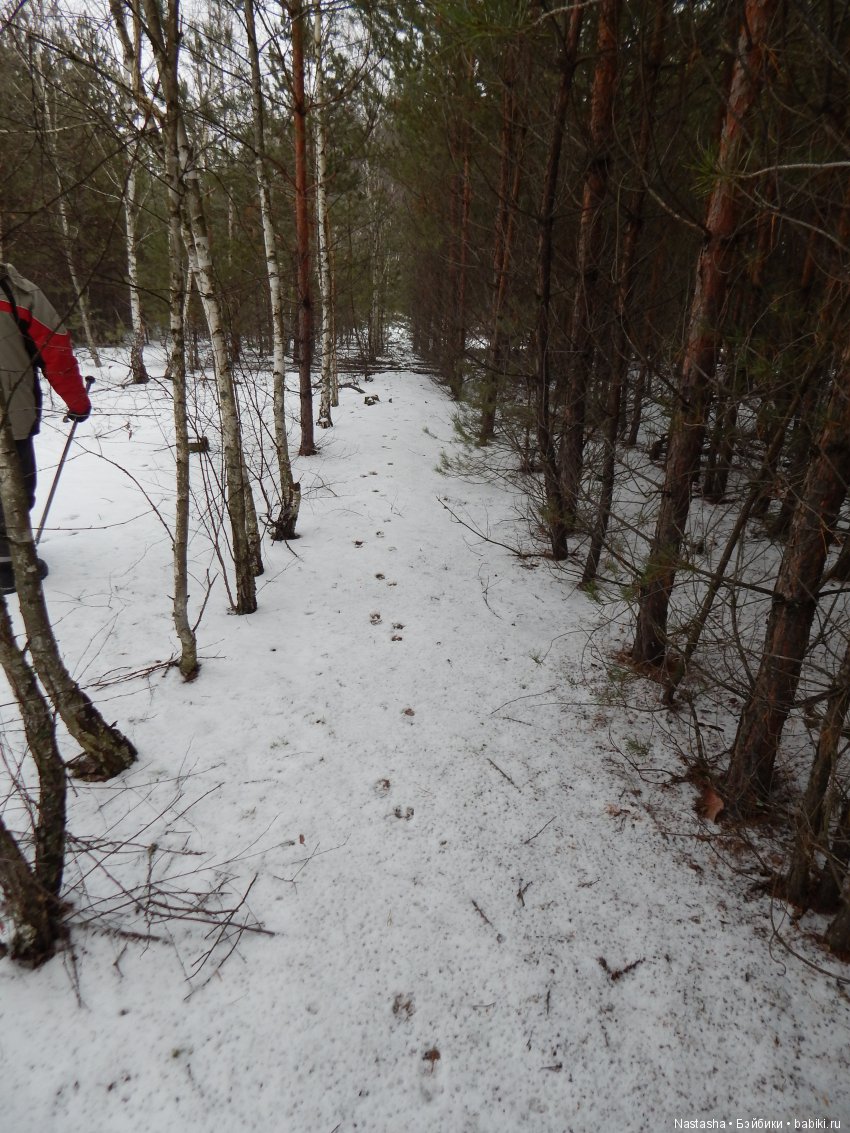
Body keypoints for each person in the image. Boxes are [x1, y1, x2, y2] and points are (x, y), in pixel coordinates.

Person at [0, 262, 92, 594]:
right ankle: (10, 564)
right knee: (13, 486)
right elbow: (55, 350)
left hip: (13, 412)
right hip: (12, 416)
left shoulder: (16, 290)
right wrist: (78, 403)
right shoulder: (17, 290)